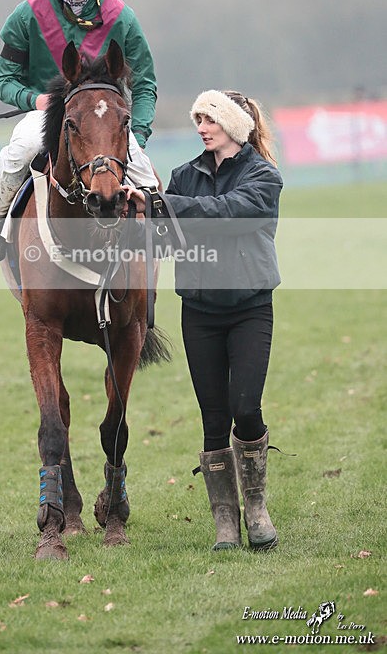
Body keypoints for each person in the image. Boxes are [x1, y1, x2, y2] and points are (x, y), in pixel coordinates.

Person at [124, 89, 283, 551]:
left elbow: (229, 214)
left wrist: (166, 204)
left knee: (246, 409)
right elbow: (169, 239)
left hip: (250, 308)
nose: (201, 127)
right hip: (200, 311)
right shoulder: (183, 177)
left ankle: (256, 508)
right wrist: (139, 213)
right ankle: (227, 524)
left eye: (209, 118)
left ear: (233, 124)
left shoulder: (264, 177)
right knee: (213, 420)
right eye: (198, 119)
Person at [0, 0, 159, 260]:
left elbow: (146, 83)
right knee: (23, 148)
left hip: (107, 120)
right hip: (47, 115)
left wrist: (136, 133)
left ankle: (159, 234)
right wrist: (35, 99)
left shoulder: (121, 18)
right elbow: (3, 81)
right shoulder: (28, 14)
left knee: (143, 170)